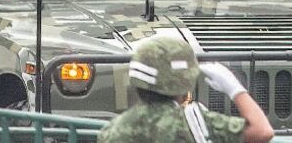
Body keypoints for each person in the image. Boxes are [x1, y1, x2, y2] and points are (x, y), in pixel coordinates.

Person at [98, 36, 274, 143]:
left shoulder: (112, 131)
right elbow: (262, 131)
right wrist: (235, 89)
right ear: (185, 81)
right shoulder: (196, 123)